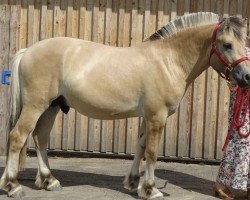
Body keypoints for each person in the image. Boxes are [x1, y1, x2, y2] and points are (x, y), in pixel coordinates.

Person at [213, 42, 250, 200]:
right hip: (243, 104)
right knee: (240, 141)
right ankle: (222, 184)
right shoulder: (243, 51)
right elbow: (231, 74)